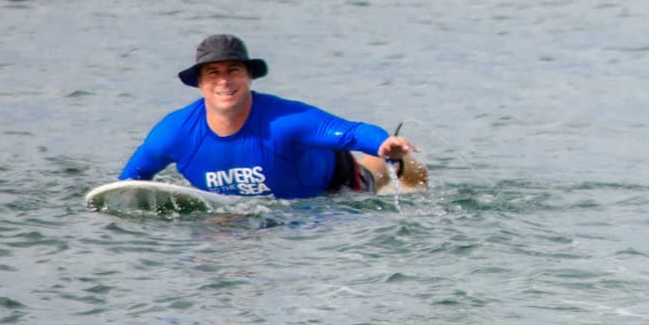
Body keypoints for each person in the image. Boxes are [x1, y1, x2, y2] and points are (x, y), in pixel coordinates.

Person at [119, 34, 423, 198]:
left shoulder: (285, 120)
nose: (224, 81)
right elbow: (131, 180)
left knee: (374, 171)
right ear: (199, 82)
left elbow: (352, 132)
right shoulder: (174, 132)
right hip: (239, 217)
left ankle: (403, 167)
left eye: (233, 71)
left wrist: (384, 144)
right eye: (213, 73)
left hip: (330, 187)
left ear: (250, 76)